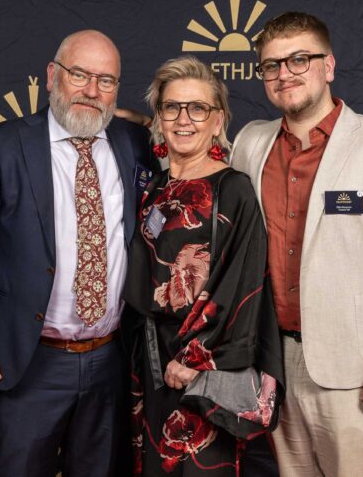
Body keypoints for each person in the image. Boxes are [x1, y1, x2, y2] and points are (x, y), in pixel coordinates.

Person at [0, 29, 155, 477]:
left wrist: (147, 122)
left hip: (110, 359)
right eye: (79, 75)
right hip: (31, 360)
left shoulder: (134, 143)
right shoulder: (1, 146)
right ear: (52, 75)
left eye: (106, 80)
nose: (91, 90)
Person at [122, 55, 284, 476]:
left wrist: (196, 358)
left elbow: (242, 283)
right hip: (149, 365)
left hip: (199, 371)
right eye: (172, 107)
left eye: (198, 108)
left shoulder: (232, 189)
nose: (183, 119)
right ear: (159, 117)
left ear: (218, 120)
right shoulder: (158, 186)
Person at [231, 12, 363, 477]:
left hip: (351, 368)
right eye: (272, 65)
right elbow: (192, 152)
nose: (284, 73)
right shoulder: (251, 143)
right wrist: (129, 124)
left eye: (299, 59)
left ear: (328, 66)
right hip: (274, 361)